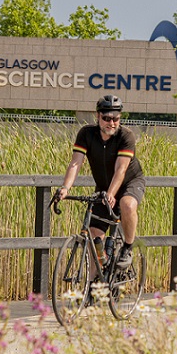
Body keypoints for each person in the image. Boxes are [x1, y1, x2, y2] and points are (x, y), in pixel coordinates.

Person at [56, 94, 144, 270]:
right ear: (97, 116)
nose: (111, 123)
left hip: (129, 182)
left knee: (127, 205)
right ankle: (97, 287)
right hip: (104, 187)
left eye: (116, 119)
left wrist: (112, 194)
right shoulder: (87, 134)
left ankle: (127, 247)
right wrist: (65, 188)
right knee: (94, 238)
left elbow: (121, 169)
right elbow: (75, 162)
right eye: (106, 118)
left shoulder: (126, 136)